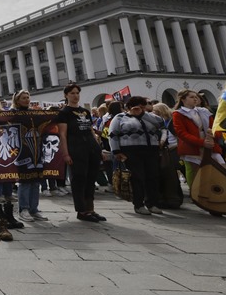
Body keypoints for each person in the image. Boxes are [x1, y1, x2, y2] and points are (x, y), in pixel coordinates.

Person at [55, 83, 105, 222]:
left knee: (91, 179)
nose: (75, 96)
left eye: (77, 93)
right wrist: (65, 153)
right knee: (79, 179)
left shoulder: (85, 112)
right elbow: (63, 135)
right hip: (75, 148)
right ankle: (81, 210)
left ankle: (90, 209)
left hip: (91, 147)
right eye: (72, 93)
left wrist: (98, 147)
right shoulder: (64, 113)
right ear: (66, 95)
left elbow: (91, 130)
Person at [109, 96, 165, 215]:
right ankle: (139, 204)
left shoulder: (150, 117)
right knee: (137, 177)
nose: (140, 108)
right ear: (129, 107)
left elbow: (161, 123)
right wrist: (116, 151)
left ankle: (153, 203)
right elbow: (113, 134)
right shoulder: (120, 118)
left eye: (143, 106)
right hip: (131, 151)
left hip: (151, 150)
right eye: (137, 106)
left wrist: (143, 114)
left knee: (153, 176)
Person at [172, 89, 221, 187]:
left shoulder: (204, 111)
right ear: (183, 99)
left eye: (196, 97)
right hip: (191, 146)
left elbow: (215, 126)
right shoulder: (178, 114)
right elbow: (181, 133)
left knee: (220, 168)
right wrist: (202, 142)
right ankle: (196, 195)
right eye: (191, 97)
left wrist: (215, 137)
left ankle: (215, 193)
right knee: (195, 171)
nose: (195, 99)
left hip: (210, 143)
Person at [12, 90, 47, 222]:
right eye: (23, 98)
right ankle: (24, 209)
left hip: (37, 151)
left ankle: (34, 209)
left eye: (28, 97)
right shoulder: (13, 113)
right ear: (17, 100)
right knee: (25, 182)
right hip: (22, 151)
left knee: (36, 181)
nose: (27, 100)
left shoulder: (34, 113)